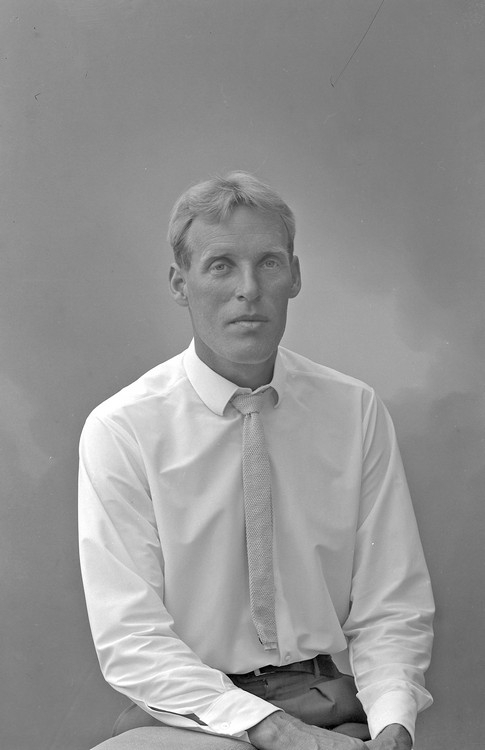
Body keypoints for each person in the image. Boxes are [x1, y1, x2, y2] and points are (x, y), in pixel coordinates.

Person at [78, 172, 434, 750]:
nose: (248, 289)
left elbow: (391, 606)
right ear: (180, 283)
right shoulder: (123, 429)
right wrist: (271, 730)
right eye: (221, 266)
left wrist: (394, 725)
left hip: (329, 701)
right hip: (196, 712)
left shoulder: (354, 410)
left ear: (294, 275)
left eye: (268, 263)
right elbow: (131, 639)